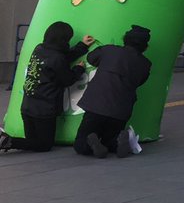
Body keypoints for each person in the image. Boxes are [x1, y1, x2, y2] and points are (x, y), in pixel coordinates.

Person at [1, 21, 95, 153]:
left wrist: (82, 46)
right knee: (44, 145)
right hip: (43, 110)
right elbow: (67, 79)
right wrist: (79, 69)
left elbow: (61, 59)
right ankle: (7, 141)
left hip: (27, 107)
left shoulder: (39, 49)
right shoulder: (57, 58)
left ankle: (6, 141)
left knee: (32, 141)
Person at [73, 24, 152, 159]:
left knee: (80, 145)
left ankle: (91, 141)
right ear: (145, 47)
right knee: (110, 137)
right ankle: (116, 142)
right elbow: (140, 81)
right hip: (121, 109)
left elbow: (91, 58)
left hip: (96, 104)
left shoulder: (109, 50)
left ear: (124, 39)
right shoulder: (145, 64)